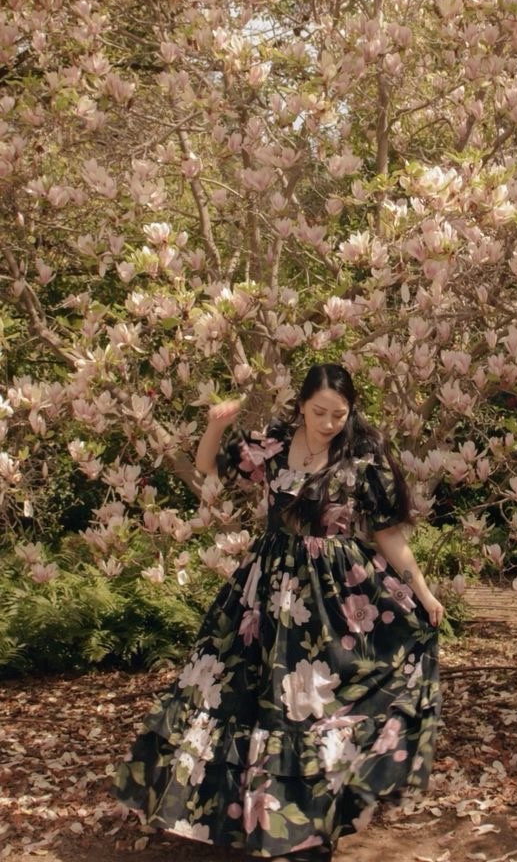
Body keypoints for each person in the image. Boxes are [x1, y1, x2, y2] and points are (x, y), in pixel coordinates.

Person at [112, 362, 443, 861]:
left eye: (339, 413)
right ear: (302, 405)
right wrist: (218, 423)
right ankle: (250, 814)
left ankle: (312, 819)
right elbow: (207, 465)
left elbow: (388, 533)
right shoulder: (271, 442)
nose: (329, 423)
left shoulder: (363, 457)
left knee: (319, 704)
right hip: (267, 590)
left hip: (336, 596)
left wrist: (421, 589)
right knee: (251, 697)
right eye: (319, 412)